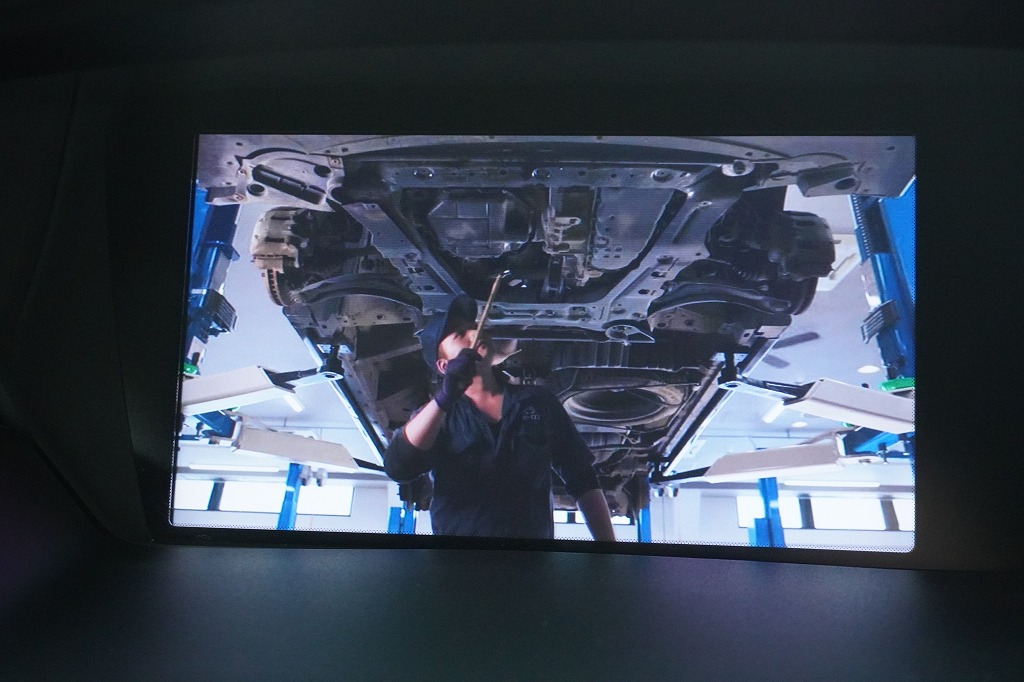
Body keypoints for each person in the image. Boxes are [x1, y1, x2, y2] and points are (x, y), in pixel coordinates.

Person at [384, 294, 616, 541]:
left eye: (475, 326)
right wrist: (444, 398)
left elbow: (581, 477)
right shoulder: (436, 416)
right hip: (458, 558)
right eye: (460, 334)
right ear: (443, 365)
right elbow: (399, 467)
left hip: (532, 556)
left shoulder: (538, 401)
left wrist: (608, 547)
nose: (475, 332)